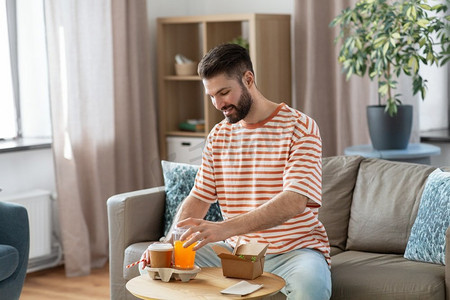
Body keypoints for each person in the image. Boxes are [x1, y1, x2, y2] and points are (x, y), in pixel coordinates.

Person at [143, 43, 331, 300]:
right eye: (211, 96)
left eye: (224, 92)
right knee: (155, 270)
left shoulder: (300, 127)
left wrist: (224, 228)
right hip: (234, 252)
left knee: (312, 287)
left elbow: (295, 201)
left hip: (294, 252)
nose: (218, 104)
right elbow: (198, 198)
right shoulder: (219, 135)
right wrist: (168, 243)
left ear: (249, 79)